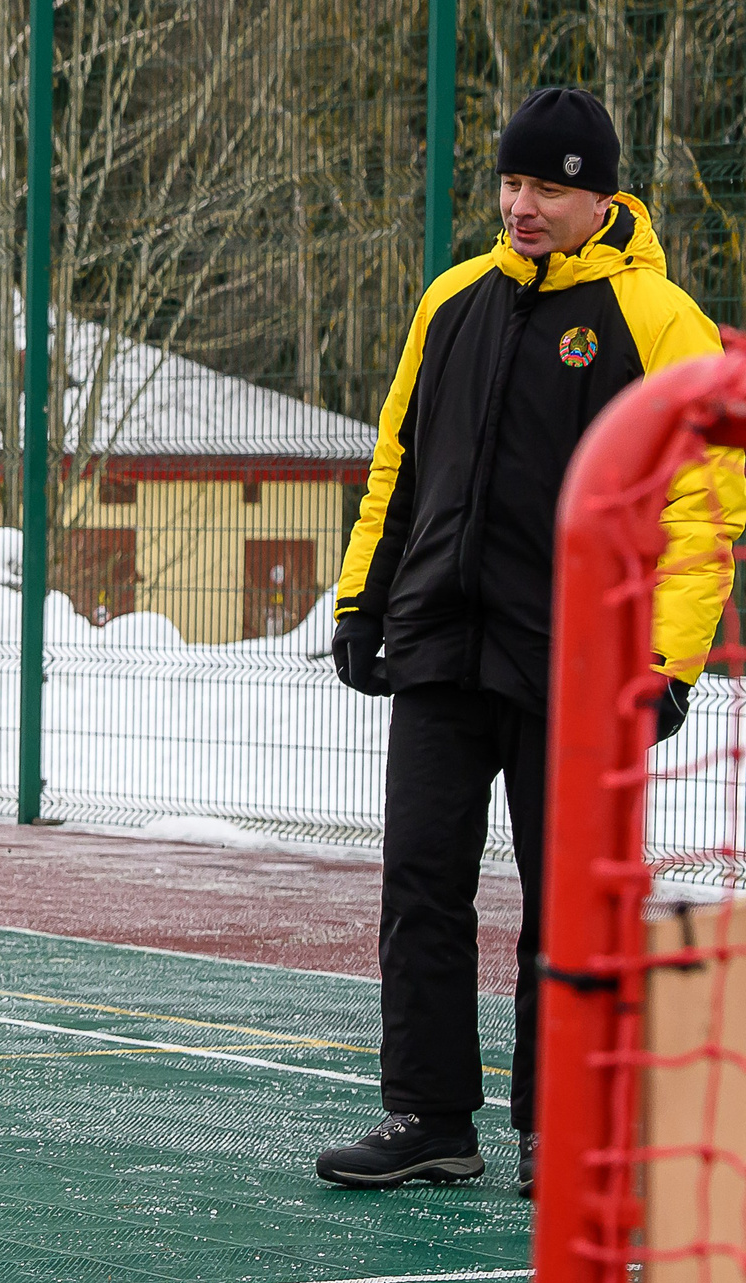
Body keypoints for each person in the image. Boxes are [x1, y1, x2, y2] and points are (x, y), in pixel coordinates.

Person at [316, 89, 742, 1196]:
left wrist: (666, 666)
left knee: (567, 908)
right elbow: (398, 465)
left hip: (581, 673)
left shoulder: (660, 323)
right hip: (441, 654)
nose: (522, 206)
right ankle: (428, 1119)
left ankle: (563, 1134)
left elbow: (702, 511)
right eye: (511, 184)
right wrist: (363, 604)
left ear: (599, 197)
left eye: (548, 187)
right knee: (419, 883)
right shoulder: (451, 301)